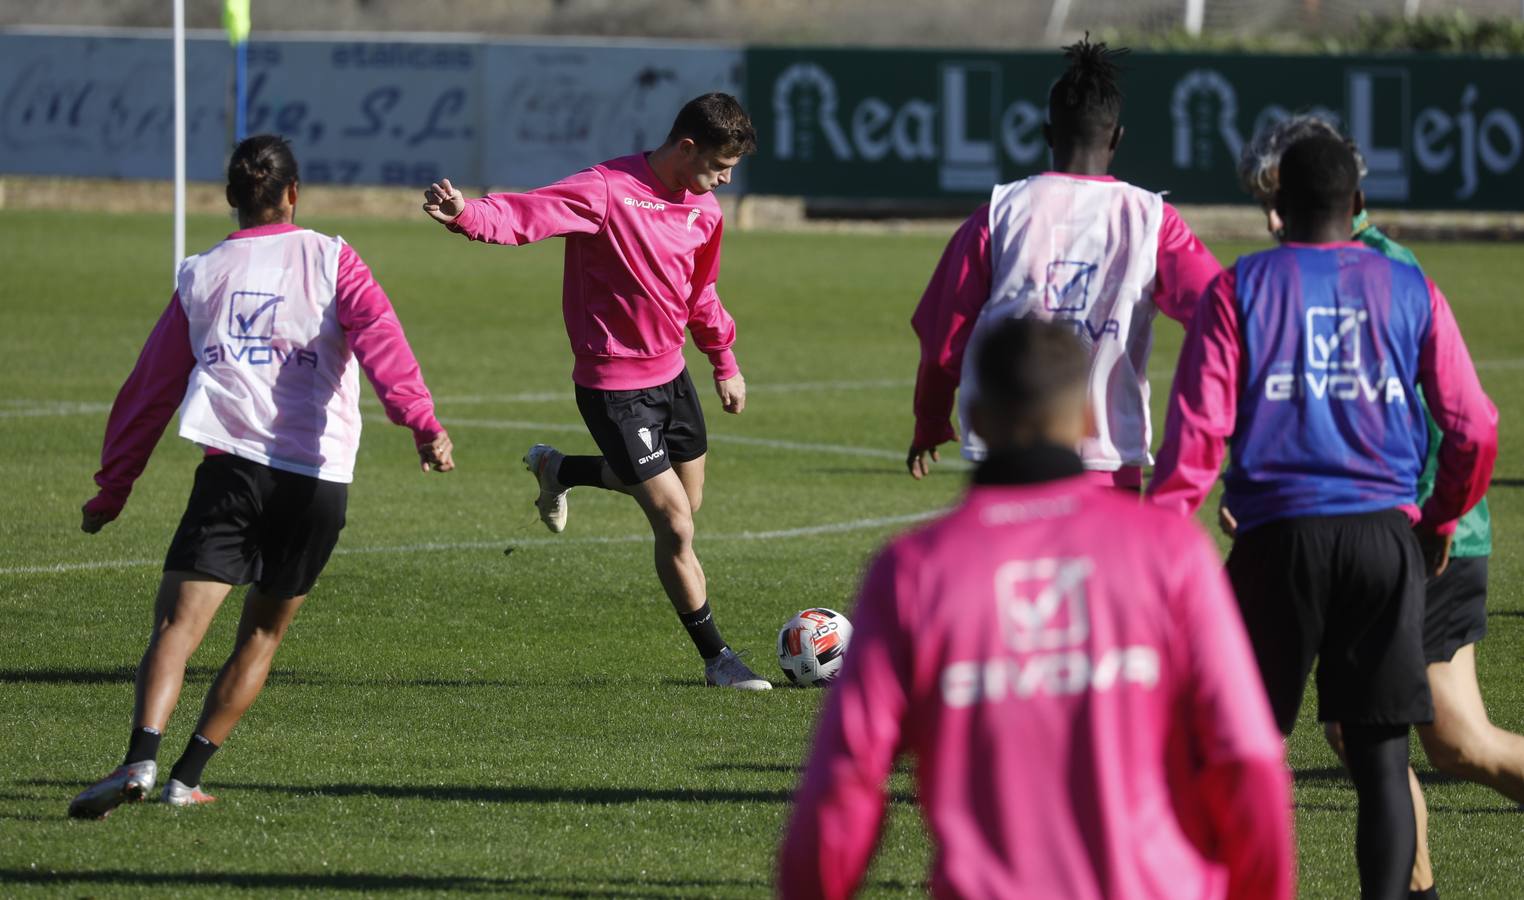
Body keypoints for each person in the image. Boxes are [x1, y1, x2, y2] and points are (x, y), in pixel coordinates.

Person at [779, 319, 1294, 900]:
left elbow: (844, 782)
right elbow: (1248, 756)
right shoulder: (1171, 554)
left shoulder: (913, 574)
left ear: (974, 420)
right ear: (1091, 421)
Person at [1147, 134, 1497, 898]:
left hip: (1278, 542)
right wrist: (1437, 522)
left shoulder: (1240, 287)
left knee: (1241, 750)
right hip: (1383, 540)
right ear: (1357, 203)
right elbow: (1474, 425)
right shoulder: (1411, 288)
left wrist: (1159, 542)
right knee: (1379, 761)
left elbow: (1198, 434)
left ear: (1277, 205)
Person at [69, 134, 454, 819]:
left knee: (176, 629)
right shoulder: (333, 257)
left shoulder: (202, 272)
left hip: (233, 472)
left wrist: (113, 487)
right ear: (294, 194)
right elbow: (382, 341)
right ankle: (186, 778)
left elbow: (149, 390)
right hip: (318, 480)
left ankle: (141, 757)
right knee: (263, 635)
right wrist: (421, 423)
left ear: (231, 201)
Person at [1232, 114, 1524, 900]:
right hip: (1399, 531)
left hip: (1429, 534)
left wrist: (1430, 521)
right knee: (1378, 737)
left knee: (1451, 745)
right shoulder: (1351, 269)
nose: (1269, 219)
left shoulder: (1382, 273)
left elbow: (1448, 421)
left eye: (1274, 196)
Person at [420, 93, 768, 690]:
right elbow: (527, 216)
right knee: (676, 526)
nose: (725, 179)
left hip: (672, 377)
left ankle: (560, 469)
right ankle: (719, 659)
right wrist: (467, 215)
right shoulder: (607, 189)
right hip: (613, 387)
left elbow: (701, 293)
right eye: (718, 166)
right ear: (686, 147)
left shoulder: (706, 212)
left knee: (690, 502)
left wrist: (723, 360)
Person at [907, 37, 1222, 488]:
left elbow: (943, 340)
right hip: (1110, 459)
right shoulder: (1152, 220)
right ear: (1117, 137)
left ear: (1048, 134)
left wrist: (931, 418)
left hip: (1012, 456)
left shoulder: (998, 215)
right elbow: (1222, 316)